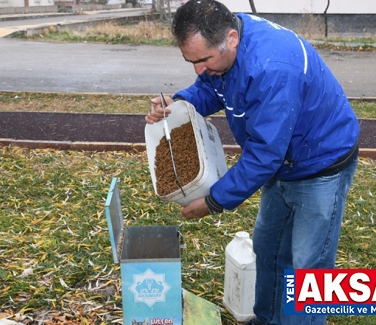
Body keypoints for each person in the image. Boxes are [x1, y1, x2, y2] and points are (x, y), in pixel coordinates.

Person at [145, 0, 360, 324]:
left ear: (231, 39)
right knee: (269, 247)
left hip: (320, 165)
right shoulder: (226, 47)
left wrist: (214, 201)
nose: (197, 70)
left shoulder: (272, 67)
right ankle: (267, 318)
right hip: (282, 164)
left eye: (202, 60)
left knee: (307, 267)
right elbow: (212, 88)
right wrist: (178, 103)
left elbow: (263, 155)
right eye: (191, 61)